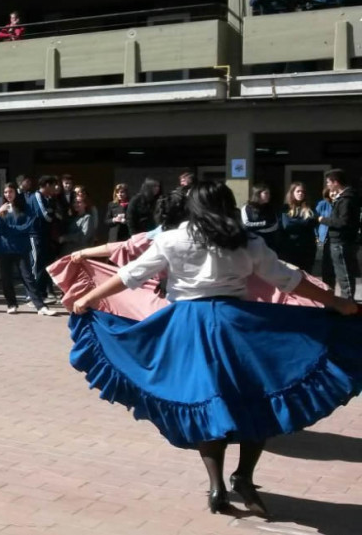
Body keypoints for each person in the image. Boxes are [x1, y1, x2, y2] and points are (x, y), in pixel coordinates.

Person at [67, 181, 361, 517]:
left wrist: (89, 298)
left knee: (206, 400)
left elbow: (132, 275)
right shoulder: (246, 239)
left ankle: (217, 483)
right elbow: (288, 279)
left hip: (189, 326)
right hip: (239, 325)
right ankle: (244, 477)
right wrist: (337, 302)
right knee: (260, 398)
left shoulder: (174, 238)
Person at [0, 183, 50, 314]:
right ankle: (11, 304)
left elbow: (28, 226)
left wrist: (10, 230)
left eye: (11, 192)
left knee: (28, 277)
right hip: (5, 248)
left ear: (16, 192)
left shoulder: (25, 207)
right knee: (6, 278)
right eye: (6, 192)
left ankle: (40, 306)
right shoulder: (1, 208)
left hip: (21, 248)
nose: (8, 195)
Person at [319, 169, 359, 301]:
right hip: (340, 241)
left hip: (341, 242)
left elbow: (342, 222)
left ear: (336, 182)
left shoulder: (346, 200)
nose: (328, 185)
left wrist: (323, 220)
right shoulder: (342, 198)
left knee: (344, 275)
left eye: (329, 182)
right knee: (342, 273)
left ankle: (347, 302)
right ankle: (345, 301)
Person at [279, 182, 317, 272]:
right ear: (292, 193)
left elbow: (312, 222)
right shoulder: (285, 208)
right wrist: (304, 222)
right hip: (290, 247)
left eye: (303, 192)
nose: (301, 193)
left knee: (307, 275)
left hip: (307, 248)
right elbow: (287, 225)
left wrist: (297, 223)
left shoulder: (310, 208)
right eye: (298, 191)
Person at [241, 183, 280, 253]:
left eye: (269, 193)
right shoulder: (247, 208)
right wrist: (264, 223)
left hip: (268, 243)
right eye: (266, 193)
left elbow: (275, 225)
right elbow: (246, 224)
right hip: (252, 243)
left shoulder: (270, 208)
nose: (269, 195)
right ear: (258, 194)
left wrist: (256, 228)